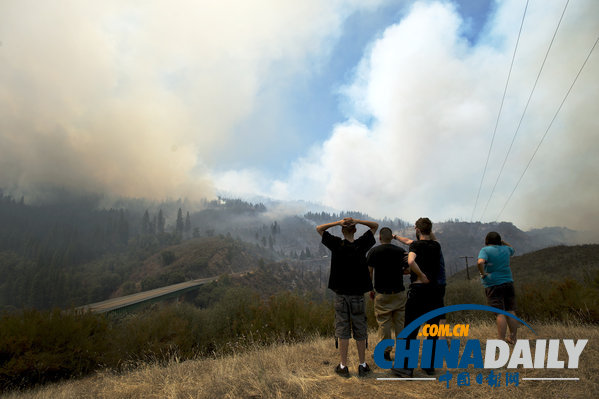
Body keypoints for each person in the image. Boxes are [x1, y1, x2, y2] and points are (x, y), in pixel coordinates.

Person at [317, 217, 378, 378]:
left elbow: (319, 228)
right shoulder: (361, 244)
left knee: (342, 329)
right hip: (358, 295)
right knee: (360, 328)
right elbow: (375, 226)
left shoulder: (336, 244)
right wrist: (357, 220)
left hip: (341, 295)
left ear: (343, 231)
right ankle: (362, 365)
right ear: (355, 230)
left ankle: (343, 366)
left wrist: (337, 223)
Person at [392, 217, 442, 377]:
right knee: (432, 329)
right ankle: (429, 366)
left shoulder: (416, 246)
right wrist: (397, 237)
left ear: (418, 230)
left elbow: (411, 260)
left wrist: (420, 275)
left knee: (411, 329)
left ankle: (406, 368)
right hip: (434, 291)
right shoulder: (436, 245)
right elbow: (411, 240)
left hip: (419, 290)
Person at [366, 227, 409, 363]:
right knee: (400, 324)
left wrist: (370, 289)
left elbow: (369, 273)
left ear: (380, 238)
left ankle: (385, 352)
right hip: (399, 293)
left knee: (384, 323)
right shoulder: (400, 252)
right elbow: (408, 269)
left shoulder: (374, 252)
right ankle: (402, 353)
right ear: (391, 238)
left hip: (382, 293)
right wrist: (398, 272)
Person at [477, 231, 518, 344]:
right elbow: (513, 249)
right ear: (499, 241)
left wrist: (483, 273)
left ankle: (501, 340)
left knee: (500, 313)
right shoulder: (506, 249)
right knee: (510, 310)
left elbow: (480, 262)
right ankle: (513, 338)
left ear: (487, 241)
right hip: (508, 282)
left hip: (493, 284)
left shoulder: (485, 250)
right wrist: (502, 242)